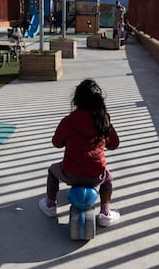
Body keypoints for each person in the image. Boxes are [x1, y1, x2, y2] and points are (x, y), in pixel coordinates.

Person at [39, 79, 120, 227]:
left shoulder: (69, 121)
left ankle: (50, 205)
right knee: (108, 179)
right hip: (96, 175)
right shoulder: (104, 120)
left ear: (77, 100)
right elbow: (114, 144)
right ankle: (106, 212)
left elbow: (56, 143)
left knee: (52, 170)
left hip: (71, 173)